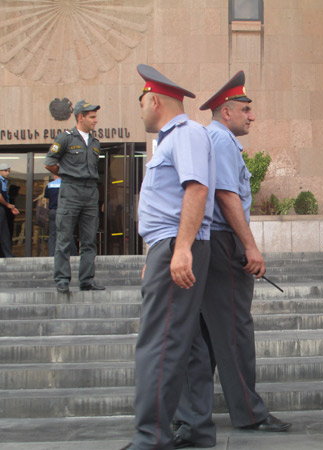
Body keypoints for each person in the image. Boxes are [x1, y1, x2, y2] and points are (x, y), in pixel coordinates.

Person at [172, 71, 291, 449]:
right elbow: (226, 196)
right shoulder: (221, 140)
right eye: (246, 109)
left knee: (207, 332)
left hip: (214, 242)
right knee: (235, 328)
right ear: (226, 112)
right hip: (224, 243)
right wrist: (250, 247)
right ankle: (249, 413)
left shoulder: (215, 138)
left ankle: (189, 414)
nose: (251, 116)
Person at [120, 64, 216, 450]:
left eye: (142, 102)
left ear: (154, 100)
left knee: (158, 342)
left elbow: (196, 191)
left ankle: (151, 437)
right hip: (170, 245)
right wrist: (160, 250)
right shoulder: (173, 139)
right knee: (186, 340)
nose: (141, 110)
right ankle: (193, 428)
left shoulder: (186, 134)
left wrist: (178, 249)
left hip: (179, 245)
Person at [44, 99, 105, 293]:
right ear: (81, 117)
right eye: (92, 117)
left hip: (90, 192)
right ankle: (62, 280)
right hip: (71, 190)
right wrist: (66, 174)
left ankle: (87, 280)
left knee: (89, 240)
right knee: (64, 238)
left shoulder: (95, 143)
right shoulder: (65, 138)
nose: (96, 120)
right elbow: (49, 161)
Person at [0, 163, 19, 257]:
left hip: (3, 208)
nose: (7, 173)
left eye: (8, 171)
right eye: (5, 170)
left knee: (5, 233)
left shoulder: (4, 181)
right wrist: (8, 205)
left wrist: (9, 206)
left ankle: (7, 255)